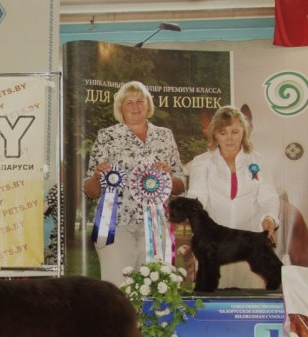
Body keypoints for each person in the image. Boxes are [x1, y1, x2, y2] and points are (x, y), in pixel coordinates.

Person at [83, 81, 186, 286]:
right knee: (118, 290)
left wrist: (168, 177)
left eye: (140, 101)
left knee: (157, 290)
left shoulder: (165, 136)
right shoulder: (107, 136)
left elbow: (181, 184)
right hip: (116, 225)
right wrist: (97, 176)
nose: (135, 106)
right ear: (120, 107)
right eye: (129, 102)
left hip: (156, 225)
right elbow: (90, 190)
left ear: (148, 105)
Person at [186, 105, 280, 289]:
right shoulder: (202, 162)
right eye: (223, 132)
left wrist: (269, 217)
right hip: (214, 248)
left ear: (244, 132)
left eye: (235, 131)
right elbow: (198, 195)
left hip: (250, 244)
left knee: (252, 307)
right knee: (213, 308)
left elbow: (268, 196)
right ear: (215, 135)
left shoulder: (258, 161)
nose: (229, 138)